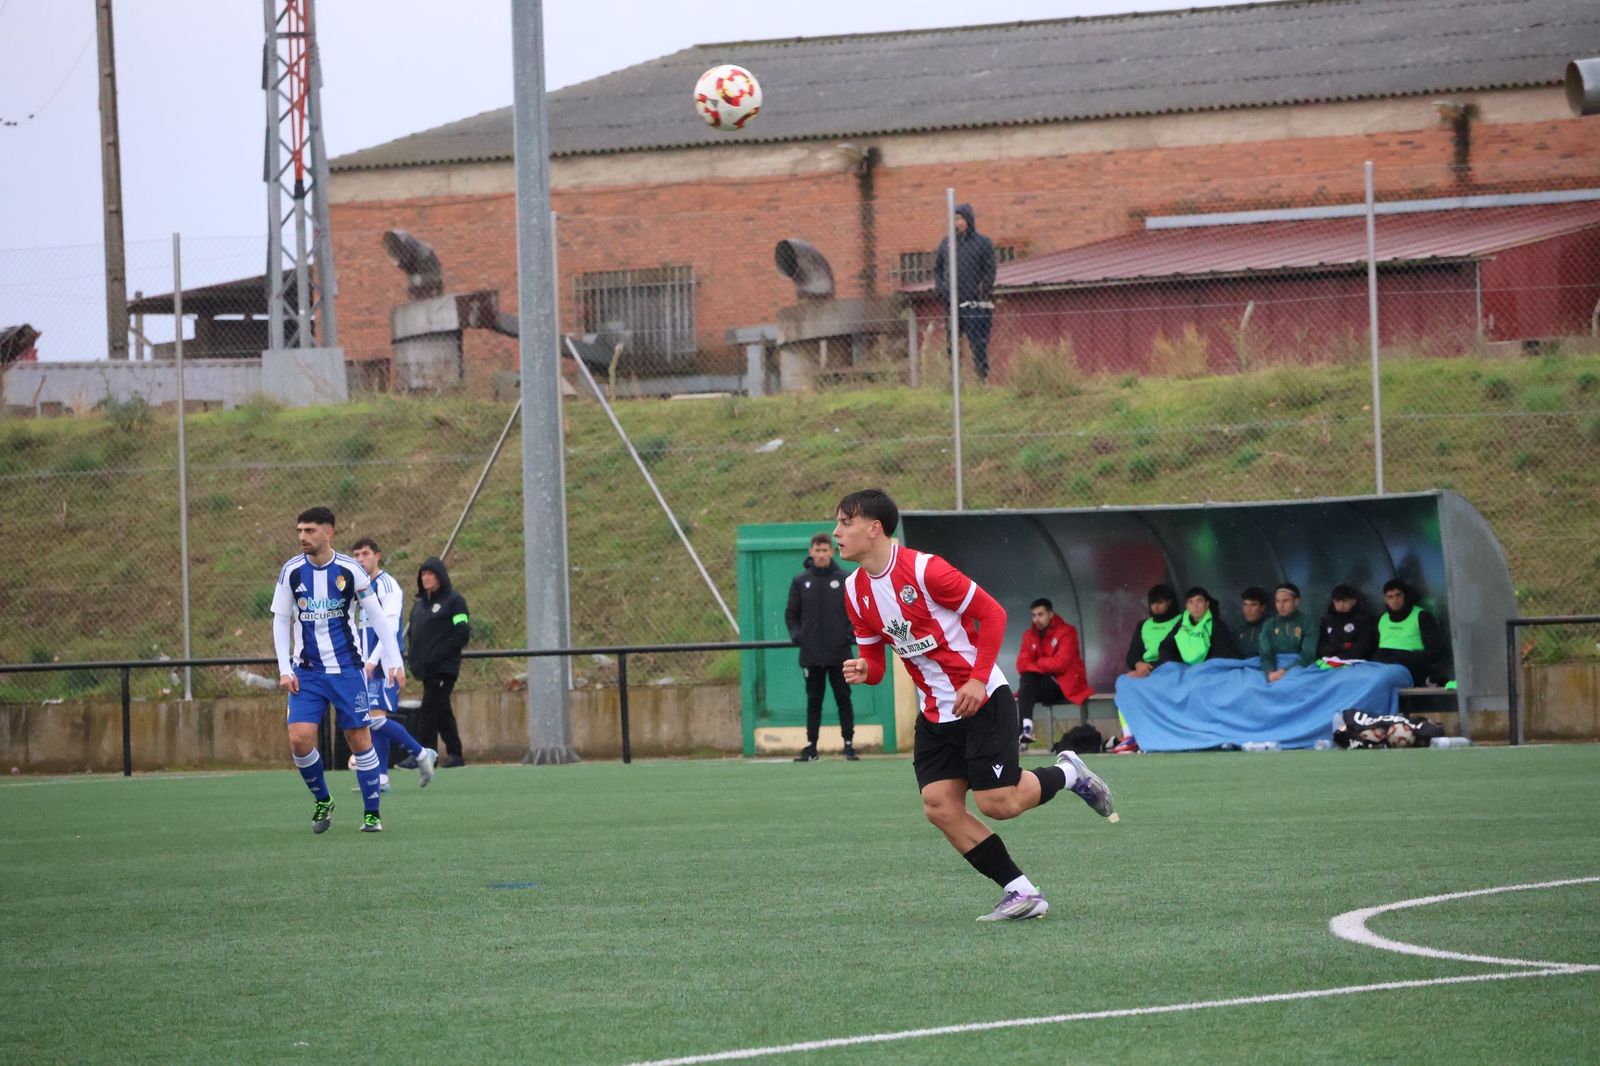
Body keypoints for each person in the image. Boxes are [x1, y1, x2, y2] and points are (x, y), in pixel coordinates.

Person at [833, 489, 1116, 923]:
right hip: (935, 714)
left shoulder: (927, 570)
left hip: (982, 700)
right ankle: (1021, 892)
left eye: (844, 523)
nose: (836, 533)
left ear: (874, 529)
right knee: (939, 806)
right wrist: (862, 670)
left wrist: (978, 680)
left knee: (997, 803)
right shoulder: (854, 592)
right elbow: (875, 664)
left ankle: (1070, 772)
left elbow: (994, 614)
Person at [271, 507, 405, 834]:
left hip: (347, 669)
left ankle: (372, 812)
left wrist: (394, 660)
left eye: (310, 530)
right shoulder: (292, 571)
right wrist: (284, 667)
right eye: (300, 530)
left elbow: (377, 615)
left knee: (358, 739)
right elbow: (280, 619)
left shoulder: (349, 570)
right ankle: (323, 799)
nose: (303, 537)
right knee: (299, 740)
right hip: (307, 673)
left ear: (328, 532)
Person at [349, 537, 437, 790]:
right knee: (373, 718)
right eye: (356, 555)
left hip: (384, 663)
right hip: (366, 662)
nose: (360, 559)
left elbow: (388, 627)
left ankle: (422, 753)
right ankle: (381, 778)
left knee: (375, 719)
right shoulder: (359, 588)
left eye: (365, 553)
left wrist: (372, 661)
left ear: (377, 556)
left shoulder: (387, 586)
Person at [785, 532, 858, 762]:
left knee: (843, 699)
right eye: (817, 550)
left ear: (832, 552)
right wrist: (798, 636)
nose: (821, 554)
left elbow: (856, 613)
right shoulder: (800, 581)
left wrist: (848, 635)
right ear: (811, 552)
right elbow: (791, 614)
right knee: (813, 701)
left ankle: (848, 745)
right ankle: (811, 747)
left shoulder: (845, 579)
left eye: (825, 550)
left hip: (840, 654)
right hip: (812, 655)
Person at [407, 557, 471, 768]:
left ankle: (423, 755)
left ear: (440, 576)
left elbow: (461, 632)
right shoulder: (419, 605)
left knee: (429, 710)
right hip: (426, 670)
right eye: (423, 574)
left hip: (443, 669)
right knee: (442, 711)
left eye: (431, 574)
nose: (426, 578)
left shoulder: (454, 602)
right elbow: (414, 635)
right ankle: (455, 754)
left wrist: (438, 656)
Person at [1014, 598, 1093, 751]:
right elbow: (1021, 664)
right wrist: (1043, 665)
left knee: (1028, 678)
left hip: (1062, 686)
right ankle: (1026, 729)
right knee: (1028, 678)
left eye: (1040, 614)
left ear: (1050, 614)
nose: (1036, 619)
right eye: (1034, 615)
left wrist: (1037, 664)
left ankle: (1024, 730)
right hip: (1040, 685)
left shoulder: (1067, 631)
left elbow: (1061, 663)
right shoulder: (1029, 635)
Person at [1112, 583, 1183, 754]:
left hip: (1169, 668)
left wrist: (1152, 669)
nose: (1156, 606)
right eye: (1153, 602)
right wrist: (1138, 665)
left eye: (1161, 602)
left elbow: (1175, 651)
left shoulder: (1180, 621)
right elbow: (1132, 655)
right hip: (1144, 670)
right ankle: (1129, 736)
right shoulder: (1144, 625)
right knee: (1124, 683)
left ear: (1170, 602)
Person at [931, 203, 996, 381]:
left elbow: (990, 270)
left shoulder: (982, 243)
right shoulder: (946, 243)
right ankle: (955, 381)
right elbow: (938, 268)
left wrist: (983, 290)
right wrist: (940, 288)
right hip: (951, 303)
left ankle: (982, 380)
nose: (956, 223)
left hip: (974, 302)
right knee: (952, 344)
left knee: (978, 343)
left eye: (959, 218)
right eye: (953, 219)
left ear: (968, 220)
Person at [1373, 579, 1445, 685]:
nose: (1395, 600)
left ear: (1405, 596)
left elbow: (1435, 652)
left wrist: (1405, 657)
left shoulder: (1422, 616)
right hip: (1383, 666)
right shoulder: (1382, 619)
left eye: (1398, 595)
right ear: (1385, 599)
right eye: (1390, 597)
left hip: (1410, 667)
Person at [1157, 586, 1236, 666]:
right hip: (1183, 669)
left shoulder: (1218, 626)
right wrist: (1175, 666)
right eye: (1190, 602)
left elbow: (1220, 656)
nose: (1195, 606)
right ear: (1186, 606)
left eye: (1199, 601)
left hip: (1208, 671)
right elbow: (1165, 646)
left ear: (1207, 604)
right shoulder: (1182, 622)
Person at [1258, 582, 1319, 682]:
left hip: (1298, 667)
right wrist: (1270, 672)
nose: (1280, 605)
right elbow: (1265, 653)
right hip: (1270, 668)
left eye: (1285, 601)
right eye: (1277, 601)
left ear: (1296, 601)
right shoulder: (1269, 624)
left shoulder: (1308, 623)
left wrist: (1285, 671)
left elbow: (1308, 655)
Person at [1317, 583, 1378, 660]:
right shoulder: (1327, 620)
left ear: (1353, 601)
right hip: (1328, 662)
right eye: (1337, 601)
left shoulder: (1364, 619)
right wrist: (1339, 647)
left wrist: (1338, 655)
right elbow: (1321, 648)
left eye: (1345, 601)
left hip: (1356, 664)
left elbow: (1362, 648)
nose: (1341, 605)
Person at [1234, 587, 1270, 659]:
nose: (1248, 609)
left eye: (1253, 605)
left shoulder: (1270, 627)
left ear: (1262, 608)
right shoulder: (1239, 630)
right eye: (1245, 605)